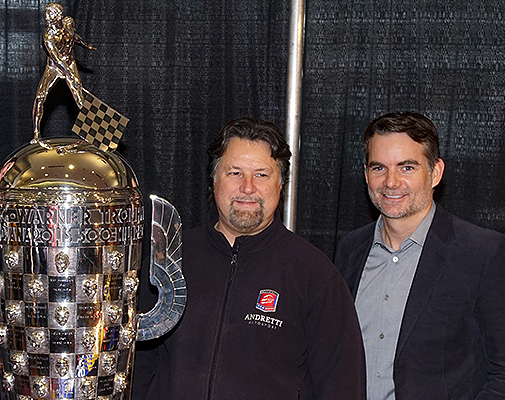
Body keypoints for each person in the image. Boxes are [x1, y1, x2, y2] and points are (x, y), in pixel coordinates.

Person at [134, 117, 365, 399]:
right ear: (215, 179)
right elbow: (137, 365)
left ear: (281, 184)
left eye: (261, 175)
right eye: (234, 173)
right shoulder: (168, 259)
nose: (247, 188)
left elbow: (342, 386)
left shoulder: (315, 275)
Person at [334, 112, 505, 399]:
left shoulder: (484, 253)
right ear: (366, 174)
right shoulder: (350, 250)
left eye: (407, 167)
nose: (391, 182)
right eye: (379, 168)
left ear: (435, 172)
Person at [32, 2, 94, 138]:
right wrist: (70, 75)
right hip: (54, 67)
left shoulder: (68, 23)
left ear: (58, 15)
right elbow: (58, 59)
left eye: (50, 14)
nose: (47, 17)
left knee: (79, 98)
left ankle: (92, 132)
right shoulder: (48, 37)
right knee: (40, 97)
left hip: (70, 63)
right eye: (46, 14)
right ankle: (36, 134)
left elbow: (73, 37)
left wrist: (85, 45)